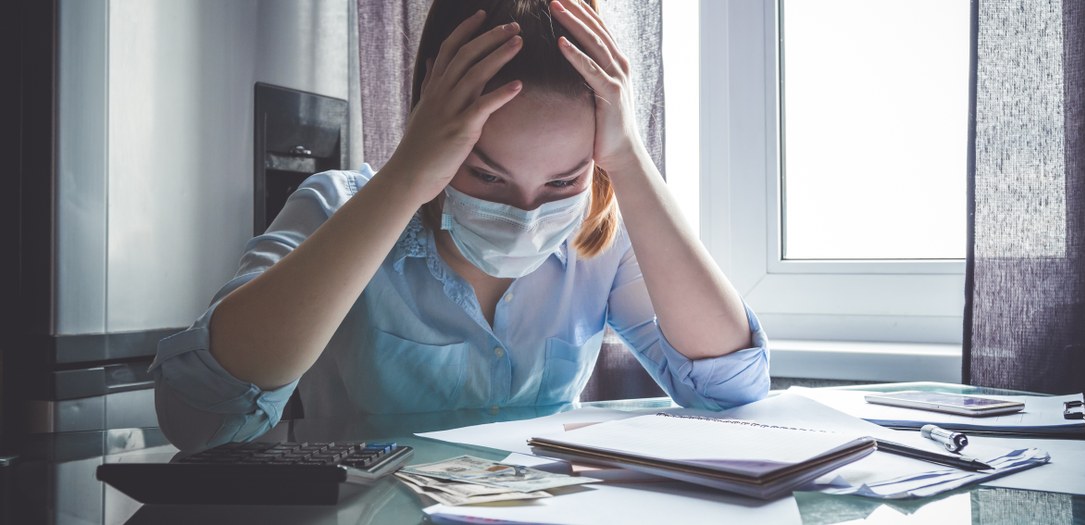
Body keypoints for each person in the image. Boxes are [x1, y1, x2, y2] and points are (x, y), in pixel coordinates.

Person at [151, 0, 770, 453]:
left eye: (562, 181)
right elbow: (203, 416)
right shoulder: (335, 208)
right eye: (487, 176)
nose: (528, 216)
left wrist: (630, 161)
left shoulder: (600, 237)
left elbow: (730, 388)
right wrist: (405, 180)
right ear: (433, 134)